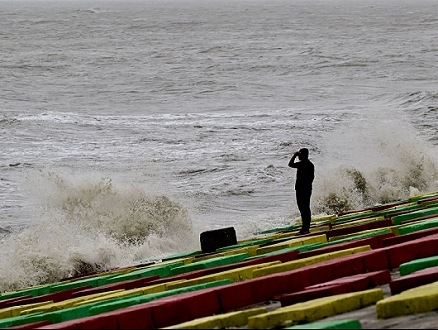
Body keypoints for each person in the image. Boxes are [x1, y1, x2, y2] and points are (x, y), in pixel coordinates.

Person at [288, 148, 314, 235]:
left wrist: (294, 155)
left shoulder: (302, 164)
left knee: (303, 209)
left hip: (301, 189)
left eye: (300, 154)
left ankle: (304, 229)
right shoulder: (311, 165)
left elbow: (290, 164)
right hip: (308, 189)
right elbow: (311, 178)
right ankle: (306, 228)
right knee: (306, 208)